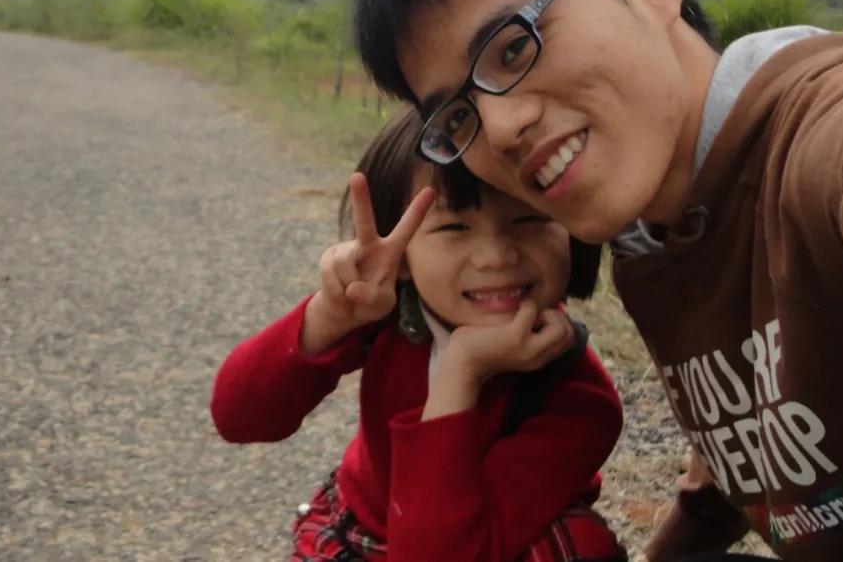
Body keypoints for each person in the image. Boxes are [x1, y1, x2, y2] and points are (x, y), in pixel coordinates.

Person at [350, 0, 843, 561]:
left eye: (513, 46)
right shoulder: (644, 235)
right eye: (458, 115)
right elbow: (753, 445)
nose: (500, 129)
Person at [210, 109, 626, 561]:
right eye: (453, 227)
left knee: (582, 545)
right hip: (364, 529)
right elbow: (239, 418)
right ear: (401, 256)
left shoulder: (579, 401)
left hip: (470, 546)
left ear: (574, 229)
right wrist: (329, 315)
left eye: (528, 219)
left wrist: (461, 373)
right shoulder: (389, 312)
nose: (495, 257)